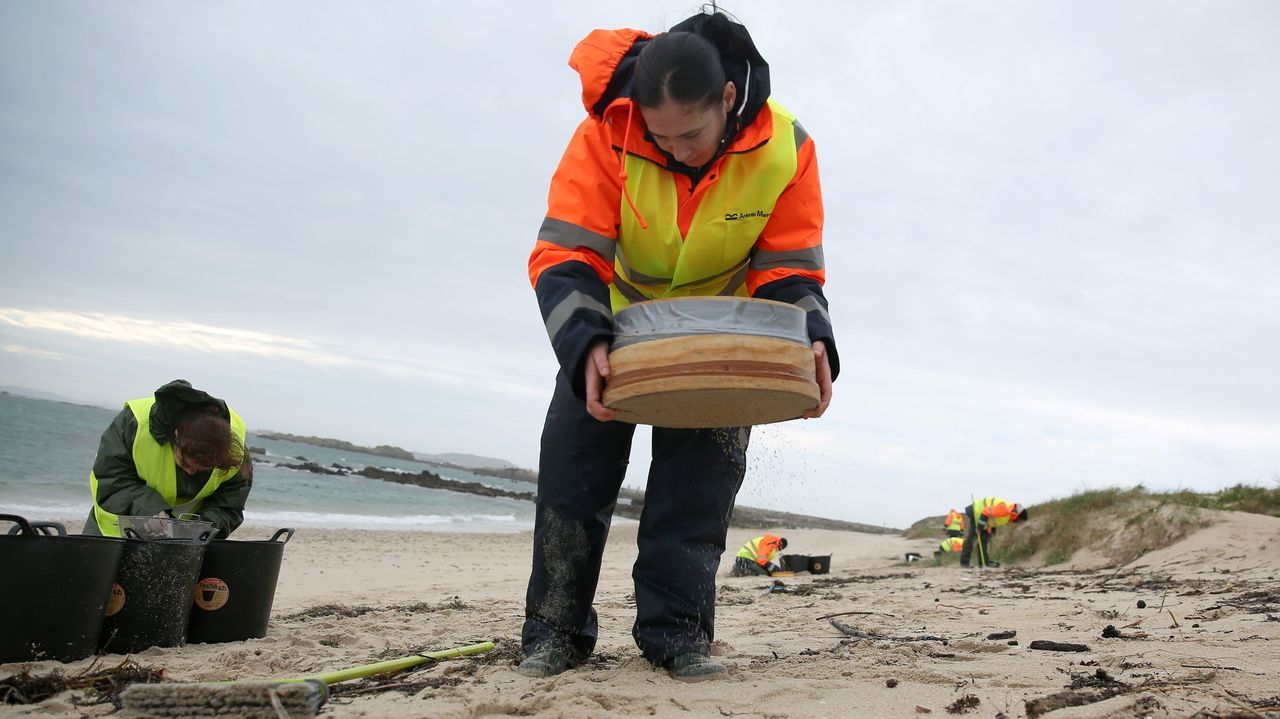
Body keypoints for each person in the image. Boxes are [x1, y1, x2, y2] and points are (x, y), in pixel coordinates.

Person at [522, 9, 837, 681]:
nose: (675, 151)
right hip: (610, 331)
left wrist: (813, 342)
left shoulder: (789, 148)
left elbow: (789, 270)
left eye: (691, 134)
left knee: (695, 495)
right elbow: (565, 254)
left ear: (728, 99)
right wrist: (582, 343)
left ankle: (677, 636)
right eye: (660, 137)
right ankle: (554, 633)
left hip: (723, 340)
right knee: (571, 483)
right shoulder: (607, 131)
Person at [84, 379, 252, 539]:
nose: (191, 472)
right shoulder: (134, 424)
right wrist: (149, 509)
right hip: (113, 531)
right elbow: (112, 479)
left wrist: (198, 530)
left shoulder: (235, 449)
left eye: (203, 469)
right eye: (186, 463)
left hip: (187, 543)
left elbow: (229, 504)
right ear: (176, 436)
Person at [959, 497, 1028, 569]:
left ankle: (984, 563)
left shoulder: (1008, 515)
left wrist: (990, 531)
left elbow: (993, 519)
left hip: (983, 518)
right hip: (976, 512)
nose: (1018, 523)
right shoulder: (1004, 510)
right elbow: (986, 512)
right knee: (971, 539)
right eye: (1020, 521)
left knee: (984, 540)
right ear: (1018, 516)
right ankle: (964, 564)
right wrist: (979, 528)